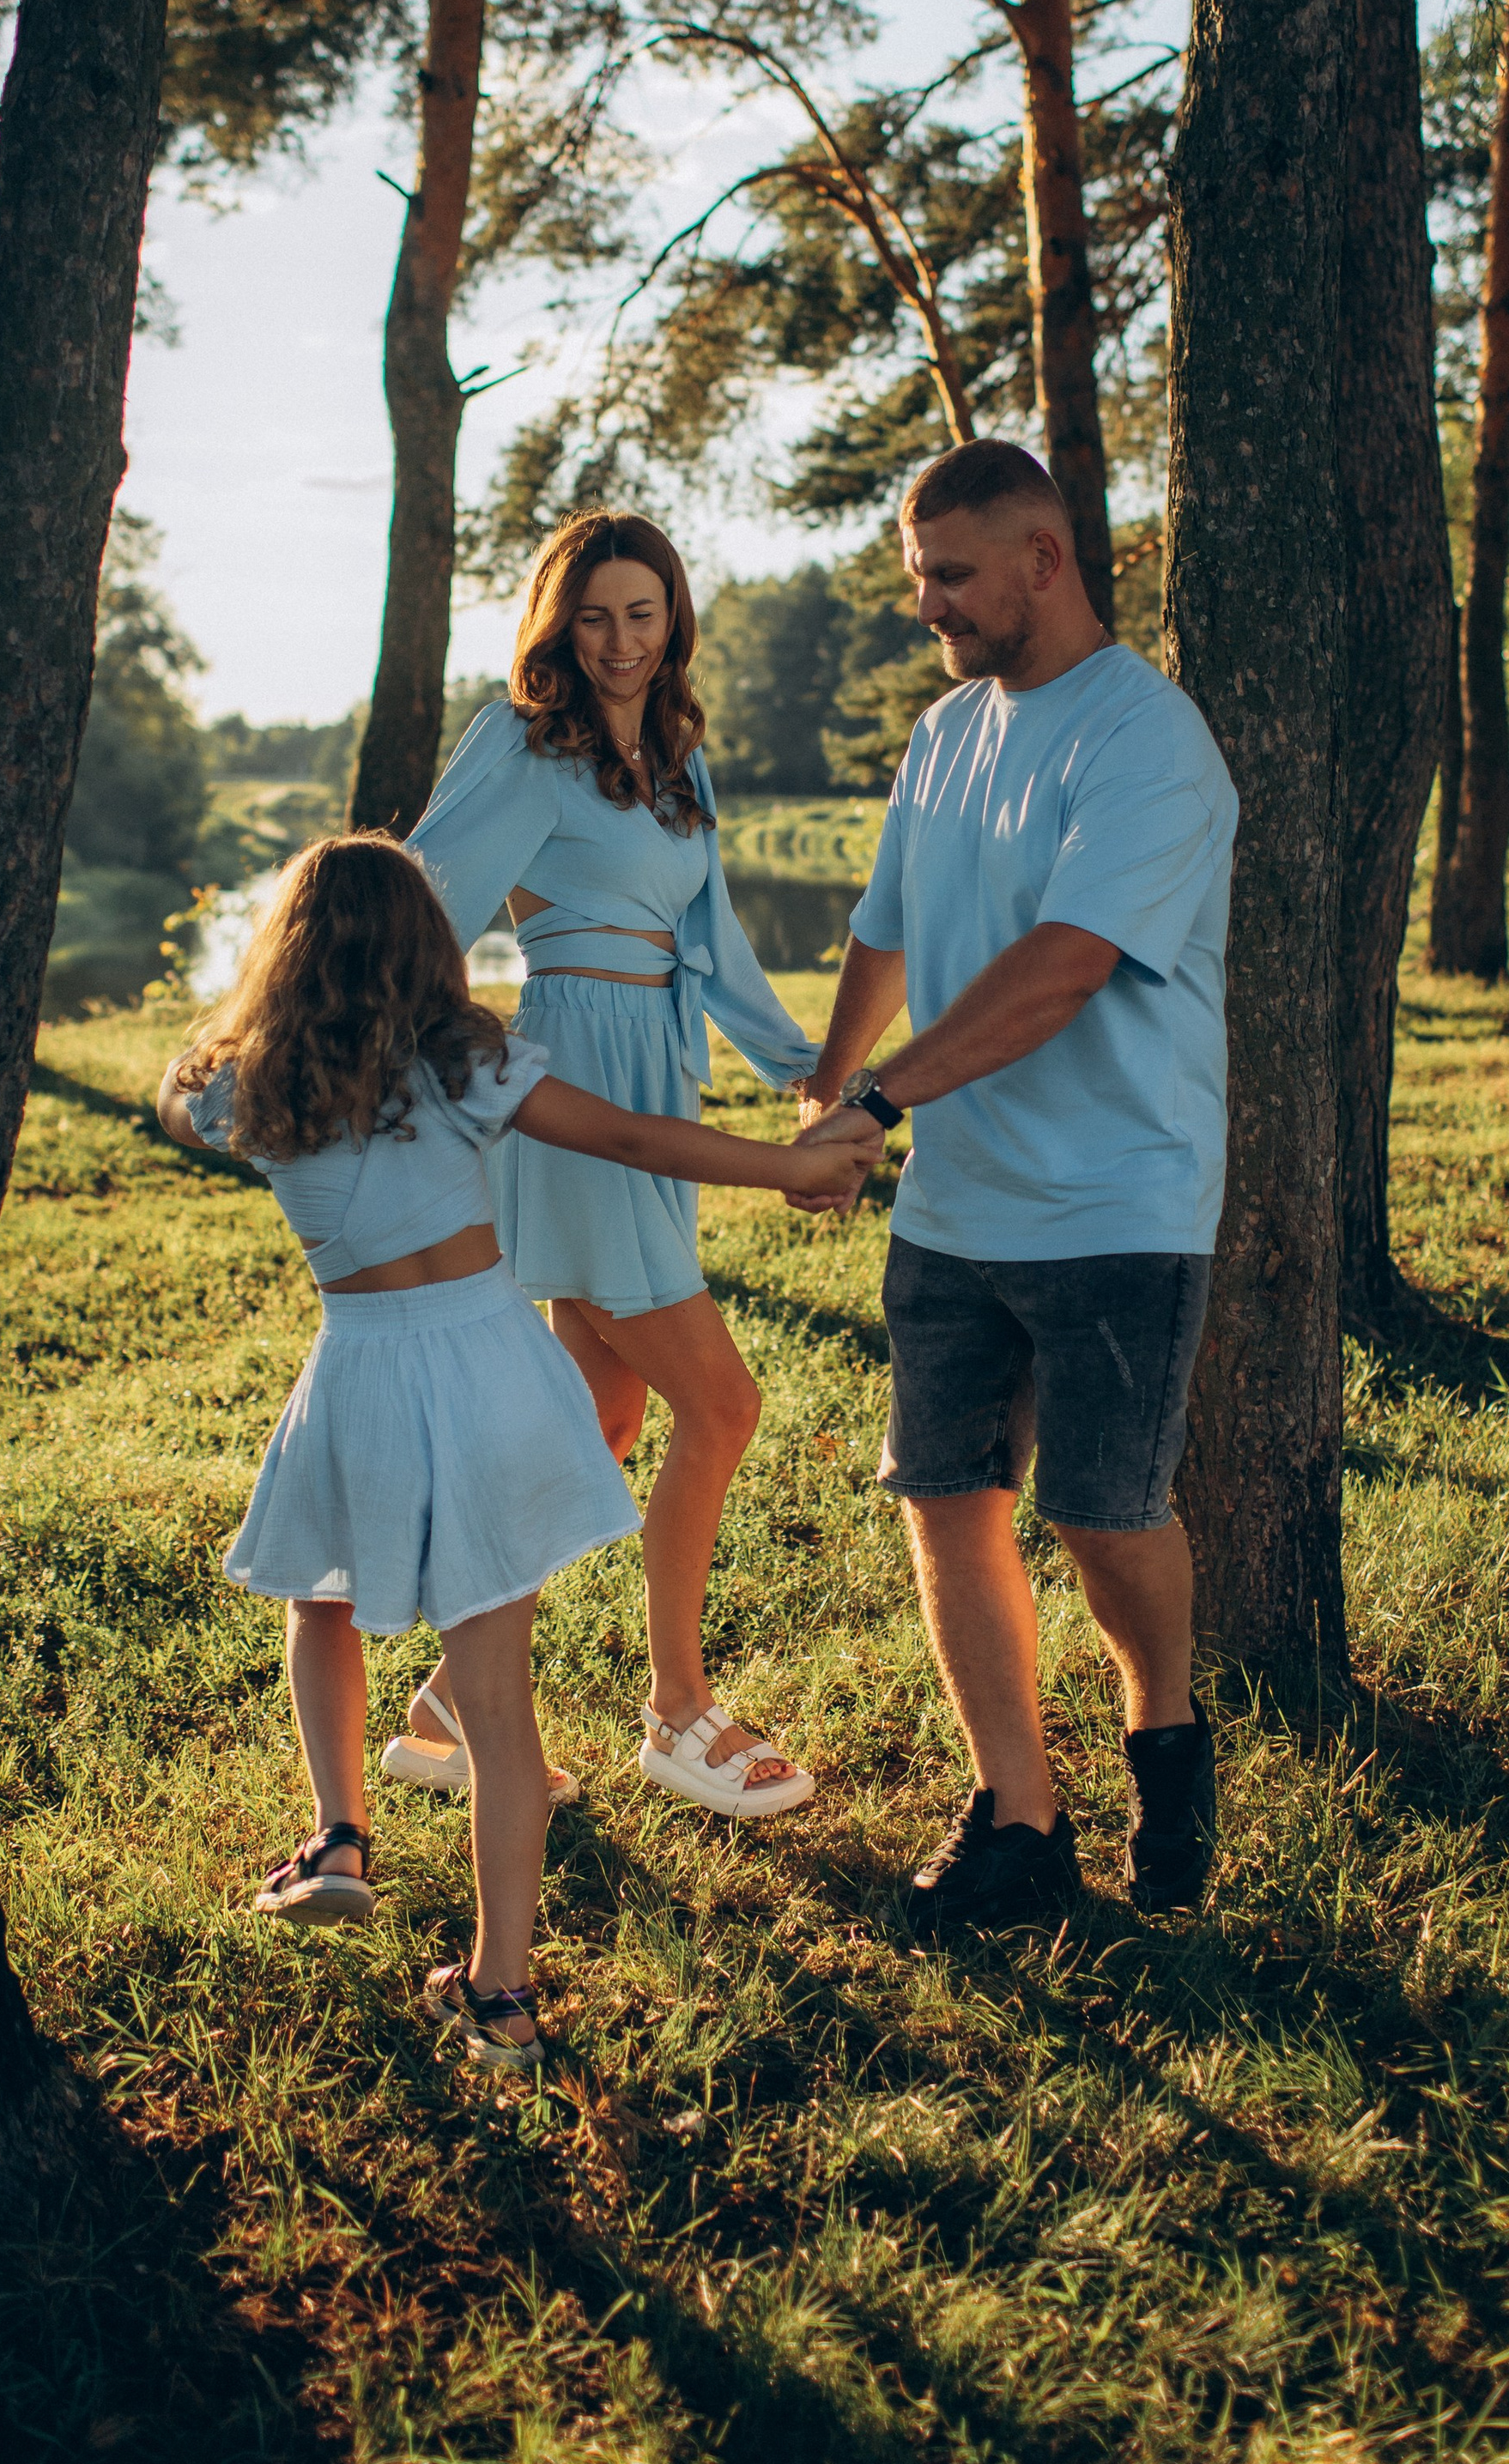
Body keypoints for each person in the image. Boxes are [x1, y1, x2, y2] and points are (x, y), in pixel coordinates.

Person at [156, 834, 875, 2073]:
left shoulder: (252, 1085)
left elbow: (173, 1092)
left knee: (319, 1603)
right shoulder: (469, 1059)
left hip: (365, 1368)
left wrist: (252, 1015)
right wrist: (790, 1167)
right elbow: (637, 1142)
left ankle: (339, 1837)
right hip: (494, 1367)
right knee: (499, 1710)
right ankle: (501, 1994)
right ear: (431, 946)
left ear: (287, 953)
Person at [793, 440, 1238, 1934]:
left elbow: (1066, 965)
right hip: (956, 1208)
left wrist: (881, 1095)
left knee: (1103, 1514)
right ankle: (1019, 1822)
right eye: (921, 577)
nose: (932, 606)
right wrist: (826, 1084)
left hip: (1118, 1200)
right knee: (947, 1501)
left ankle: (1164, 1736)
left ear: (1044, 560)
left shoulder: (1148, 741)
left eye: (953, 576)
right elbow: (888, 920)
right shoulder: (945, 732)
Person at [397, 512, 826, 1821]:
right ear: (558, 623)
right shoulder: (526, 744)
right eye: (595, 616)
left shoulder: (677, 757)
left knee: (604, 1418)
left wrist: (800, 1068)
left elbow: (718, 938)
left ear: (674, 620)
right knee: (721, 1405)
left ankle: (437, 1717)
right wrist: (452, 1051)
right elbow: (419, 898)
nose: (621, 641)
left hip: (660, 1066)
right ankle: (678, 1712)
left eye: (643, 614)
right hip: (579, 1083)